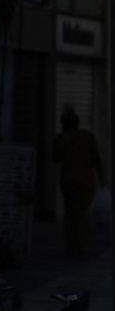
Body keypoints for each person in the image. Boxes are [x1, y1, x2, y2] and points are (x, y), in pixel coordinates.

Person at [53, 108, 106, 256]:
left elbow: (55, 158)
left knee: (69, 213)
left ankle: (70, 246)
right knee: (81, 213)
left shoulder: (61, 138)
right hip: (86, 179)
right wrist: (102, 179)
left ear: (63, 124)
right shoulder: (88, 137)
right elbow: (97, 159)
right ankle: (80, 246)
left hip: (68, 180)